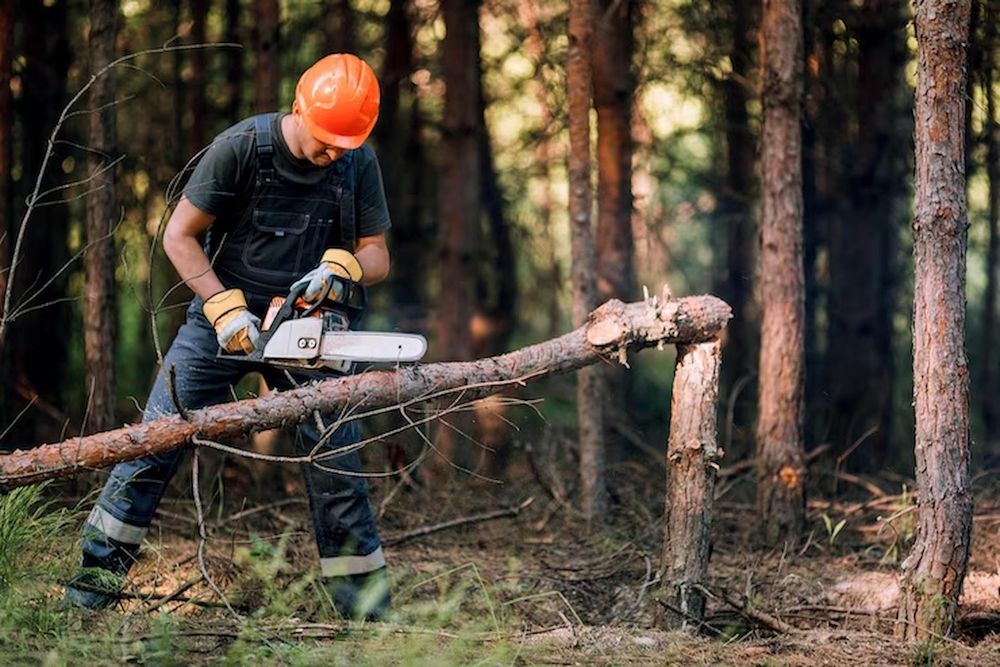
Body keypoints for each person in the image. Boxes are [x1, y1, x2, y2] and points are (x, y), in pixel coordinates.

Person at [62, 54, 393, 620]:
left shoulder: (357, 161)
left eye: (345, 142)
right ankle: (88, 591)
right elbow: (179, 237)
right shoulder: (241, 147)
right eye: (326, 140)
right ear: (298, 109)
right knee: (152, 445)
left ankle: (366, 615)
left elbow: (378, 254)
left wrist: (346, 267)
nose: (334, 151)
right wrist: (221, 307)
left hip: (310, 330)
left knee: (337, 464)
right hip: (224, 322)